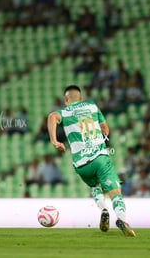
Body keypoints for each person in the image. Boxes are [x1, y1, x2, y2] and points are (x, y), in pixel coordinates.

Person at [47, 85, 136, 237]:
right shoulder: (92, 106)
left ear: (66, 100)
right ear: (81, 98)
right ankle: (121, 219)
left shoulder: (65, 112)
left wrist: (55, 141)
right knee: (115, 192)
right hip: (99, 158)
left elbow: (51, 117)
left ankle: (103, 209)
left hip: (81, 164)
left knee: (94, 186)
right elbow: (106, 129)